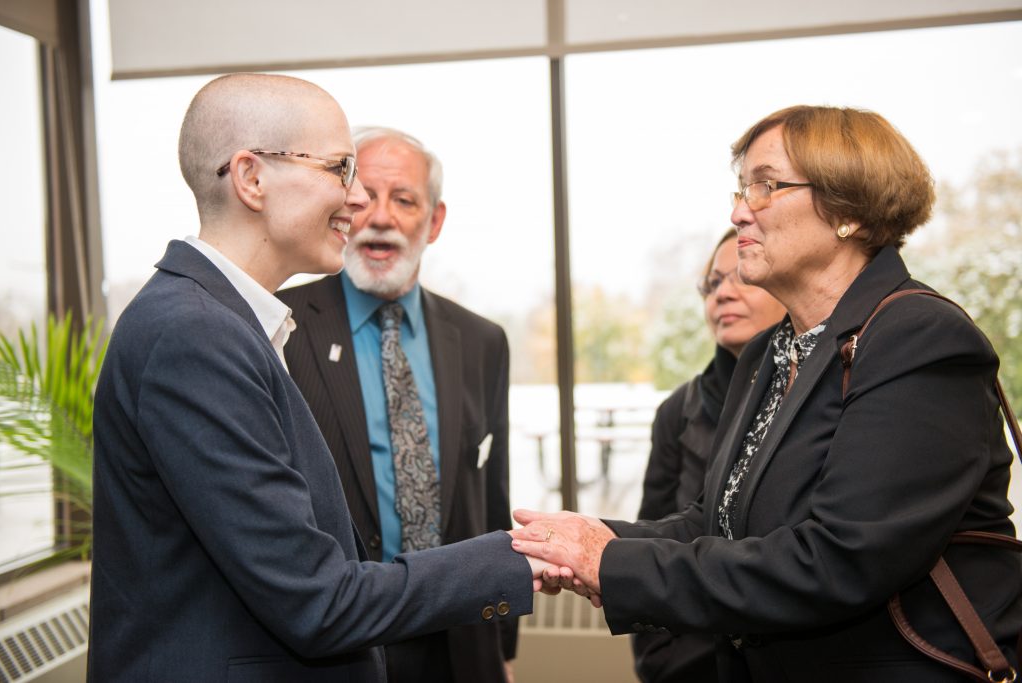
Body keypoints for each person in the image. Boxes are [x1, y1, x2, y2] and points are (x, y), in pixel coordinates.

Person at [512, 105, 1022, 682]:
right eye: (741, 189)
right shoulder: (767, 352)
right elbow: (716, 522)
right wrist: (586, 538)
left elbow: (840, 561)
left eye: (765, 187)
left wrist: (609, 563)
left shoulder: (919, 338)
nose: (737, 212)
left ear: (846, 210)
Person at [88, 73, 546, 683]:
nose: (355, 200)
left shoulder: (223, 323)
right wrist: (526, 558)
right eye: (339, 168)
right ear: (251, 179)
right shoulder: (195, 336)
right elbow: (317, 600)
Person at [277, 126, 516, 683]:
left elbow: (492, 495)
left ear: (433, 222)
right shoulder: (278, 327)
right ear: (342, 208)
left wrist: (502, 649)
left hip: (462, 642)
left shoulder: (482, 341)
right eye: (364, 198)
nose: (381, 217)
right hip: (339, 647)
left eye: (404, 200)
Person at [632, 227, 784, 683]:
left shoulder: (821, 393)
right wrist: (660, 658)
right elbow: (651, 535)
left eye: (739, 277)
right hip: (691, 660)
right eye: (712, 283)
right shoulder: (677, 411)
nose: (722, 294)